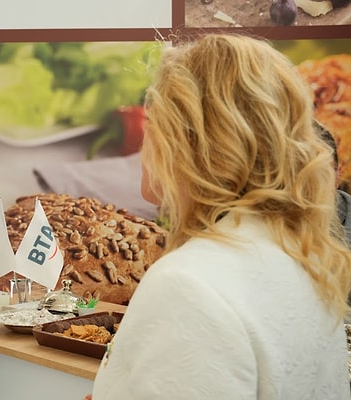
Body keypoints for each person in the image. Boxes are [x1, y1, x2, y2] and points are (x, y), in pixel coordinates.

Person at [89, 34, 351, 399]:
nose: (142, 144)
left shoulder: (187, 283)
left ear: (185, 143)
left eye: (154, 125)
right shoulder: (310, 261)